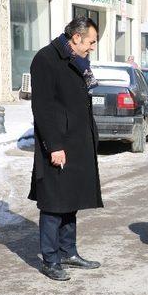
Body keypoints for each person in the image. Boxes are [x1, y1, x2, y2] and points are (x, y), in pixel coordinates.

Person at [29, 16, 104, 281]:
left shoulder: (78, 60)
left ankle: (68, 251)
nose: (92, 47)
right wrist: (54, 146)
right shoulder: (46, 59)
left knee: (70, 200)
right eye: (91, 42)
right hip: (59, 144)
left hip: (78, 142)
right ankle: (50, 259)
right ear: (76, 38)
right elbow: (43, 108)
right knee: (53, 203)